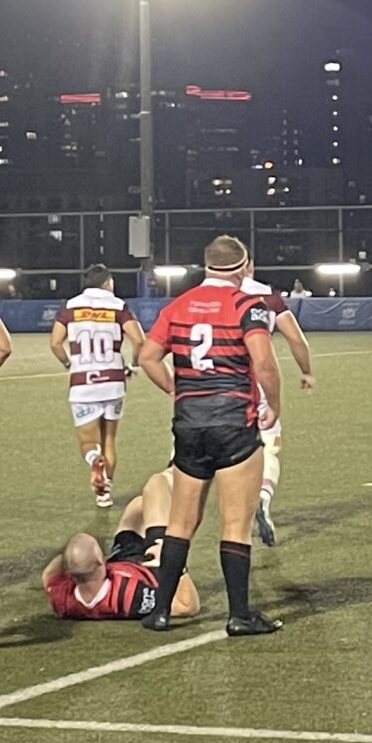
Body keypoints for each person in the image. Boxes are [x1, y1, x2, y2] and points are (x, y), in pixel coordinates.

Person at [139, 236, 286, 636]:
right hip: (233, 422)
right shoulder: (247, 305)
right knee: (235, 525)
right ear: (244, 266)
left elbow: (147, 357)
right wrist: (275, 404)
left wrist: (175, 389)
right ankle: (239, 615)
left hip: (189, 424)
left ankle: (161, 611)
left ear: (206, 266)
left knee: (180, 523)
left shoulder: (179, 305)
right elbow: (264, 362)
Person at [41, 468, 202, 624]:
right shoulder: (128, 596)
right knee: (155, 485)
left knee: (138, 506)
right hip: (149, 564)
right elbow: (187, 606)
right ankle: (184, 467)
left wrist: (75, 559)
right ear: (100, 560)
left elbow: (48, 574)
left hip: (123, 559)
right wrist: (174, 559)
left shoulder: (63, 599)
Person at [49, 266, 145, 508]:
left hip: (83, 382)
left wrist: (68, 363)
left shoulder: (71, 306)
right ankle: (105, 494)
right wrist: (133, 365)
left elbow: (55, 343)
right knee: (109, 439)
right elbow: (139, 340)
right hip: (113, 381)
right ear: (107, 282)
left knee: (88, 443)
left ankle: (94, 460)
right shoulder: (118, 306)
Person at [238, 261, 314, 547]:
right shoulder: (267, 296)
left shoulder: (205, 295)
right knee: (269, 446)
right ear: (249, 266)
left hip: (212, 385)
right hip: (254, 382)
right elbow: (296, 339)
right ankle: (262, 497)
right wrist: (306, 371)